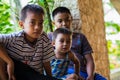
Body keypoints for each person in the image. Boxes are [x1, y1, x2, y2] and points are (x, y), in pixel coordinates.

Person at [0, 4, 60, 80]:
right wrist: (9, 62)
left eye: (40, 23)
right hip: (14, 74)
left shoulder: (44, 38)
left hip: (35, 76)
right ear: (22, 24)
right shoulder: (15, 38)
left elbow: (46, 62)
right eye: (32, 22)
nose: (37, 27)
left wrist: (50, 78)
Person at [48, 6, 107, 80]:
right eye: (60, 21)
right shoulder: (50, 37)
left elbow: (89, 60)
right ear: (54, 23)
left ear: (71, 19)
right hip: (63, 73)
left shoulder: (80, 37)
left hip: (82, 71)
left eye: (67, 20)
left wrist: (90, 76)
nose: (64, 24)